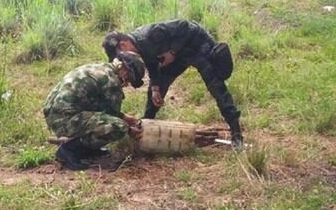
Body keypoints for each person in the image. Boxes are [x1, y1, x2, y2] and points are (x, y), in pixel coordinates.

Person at [102, 19, 243, 150]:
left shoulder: (151, 34)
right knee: (156, 89)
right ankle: (146, 126)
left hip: (197, 46)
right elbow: (152, 64)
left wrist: (172, 52)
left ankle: (236, 133)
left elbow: (186, 26)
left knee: (217, 88)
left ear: (123, 45)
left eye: (120, 55)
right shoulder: (137, 48)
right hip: (177, 56)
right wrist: (155, 89)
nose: (122, 60)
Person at [43, 51, 146, 170]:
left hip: (53, 112)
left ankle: (88, 149)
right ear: (124, 71)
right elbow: (112, 116)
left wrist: (128, 118)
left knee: (110, 121)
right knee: (119, 127)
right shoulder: (111, 82)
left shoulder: (101, 68)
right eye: (128, 79)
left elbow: (103, 108)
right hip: (63, 119)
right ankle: (68, 150)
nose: (127, 84)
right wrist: (129, 130)